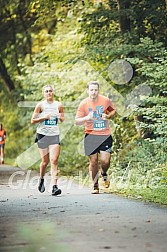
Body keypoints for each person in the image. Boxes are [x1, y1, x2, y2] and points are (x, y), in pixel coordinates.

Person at [75, 81, 116, 194]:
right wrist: (87, 117)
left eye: (95, 90)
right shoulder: (83, 104)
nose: (93, 92)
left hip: (105, 135)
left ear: (98, 90)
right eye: (91, 90)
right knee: (93, 161)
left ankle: (103, 173)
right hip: (91, 136)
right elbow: (77, 121)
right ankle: (95, 185)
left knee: (105, 161)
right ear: (87, 90)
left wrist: (107, 115)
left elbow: (113, 111)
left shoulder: (105, 100)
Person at [31, 85, 64, 196]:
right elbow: (33, 120)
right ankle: (41, 180)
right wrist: (44, 117)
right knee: (45, 162)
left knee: (54, 160)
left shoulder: (58, 105)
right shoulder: (40, 105)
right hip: (42, 135)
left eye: (50, 91)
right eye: (46, 91)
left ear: (53, 92)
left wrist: (60, 116)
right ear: (43, 93)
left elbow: (62, 119)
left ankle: (55, 187)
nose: (49, 93)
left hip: (54, 134)